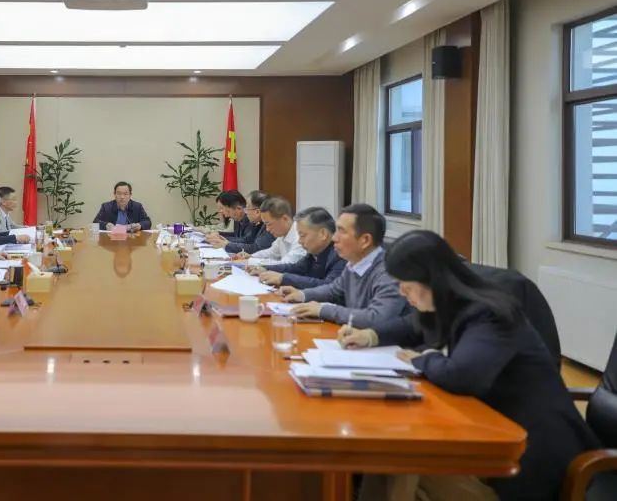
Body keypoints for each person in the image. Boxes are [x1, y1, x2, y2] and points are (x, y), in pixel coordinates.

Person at [341, 230, 600, 501]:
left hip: (531, 455)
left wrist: (423, 358)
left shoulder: (489, 313)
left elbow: (461, 375)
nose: (401, 292)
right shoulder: (453, 304)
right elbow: (411, 325)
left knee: (403, 457)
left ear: (431, 278)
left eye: (405, 284)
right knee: (391, 453)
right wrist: (372, 335)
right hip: (490, 430)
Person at [279, 203, 407, 328]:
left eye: (342, 231)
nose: (334, 238)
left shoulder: (389, 272)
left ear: (365, 240)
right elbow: (333, 290)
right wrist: (302, 294)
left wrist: (322, 310)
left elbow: (376, 317)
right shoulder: (354, 263)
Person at [252, 207, 344, 289]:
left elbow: (328, 286)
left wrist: (284, 278)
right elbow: (296, 268)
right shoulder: (314, 253)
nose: (299, 241)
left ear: (323, 234)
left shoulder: (340, 255)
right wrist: (266, 268)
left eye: (302, 235)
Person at [233, 197, 306, 265]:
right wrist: (251, 256)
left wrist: (250, 261)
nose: (267, 229)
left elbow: (286, 265)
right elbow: (271, 252)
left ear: (285, 219)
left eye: (268, 224)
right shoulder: (283, 235)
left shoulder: (300, 237)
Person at [225, 190, 275, 255]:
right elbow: (248, 240)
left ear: (257, 212)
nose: (245, 212)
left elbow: (255, 248)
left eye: (247, 208)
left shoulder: (270, 225)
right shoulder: (258, 223)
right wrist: (224, 241)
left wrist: (226, 245)